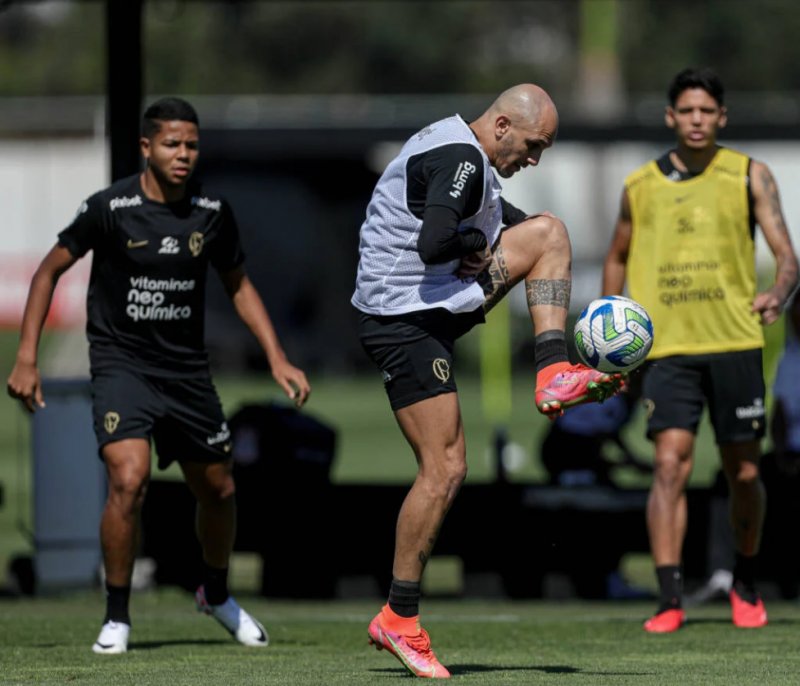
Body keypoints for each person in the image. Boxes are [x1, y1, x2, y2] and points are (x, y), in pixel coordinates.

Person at [6, 97, 310, 654]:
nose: (183, 154)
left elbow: (239, 285)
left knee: (219, 488)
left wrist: (276, 356)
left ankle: (215, 594)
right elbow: (49, 270)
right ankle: (117, 615)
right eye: (172, 144)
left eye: (192, 145)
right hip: (123, 366)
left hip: (187, 372)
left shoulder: (212, 211)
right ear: (147, 147)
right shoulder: (110, 207)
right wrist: (27, 356)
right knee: (128, 479)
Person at [352, 83, 624, 678]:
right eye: (532, 146)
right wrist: (475, 241)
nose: (534, 159)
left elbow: (513, 229)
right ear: (501, 126)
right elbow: (435, 244)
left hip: (420, 307)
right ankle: (398, 620)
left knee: (549, 231)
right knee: (444, 468)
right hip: (405, 317)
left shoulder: (464, 151)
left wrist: (490, 238)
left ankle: (554, 367)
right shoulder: (461, 160)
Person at [603, 67, 799, 633]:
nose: (696, 120)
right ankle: (670, 599)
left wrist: (780, 291)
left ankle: (744, 579)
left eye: (706, 112)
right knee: (669, 466)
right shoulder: (639, 186)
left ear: (722, 118)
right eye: (686, 111)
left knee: (742, 473)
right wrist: (606, 318)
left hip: (735, 343)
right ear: (671, 116)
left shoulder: (748, 175)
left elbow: (787, 254)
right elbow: (616, 253)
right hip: (669, 351)